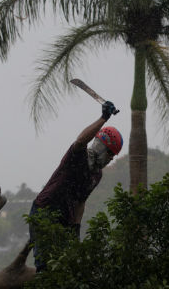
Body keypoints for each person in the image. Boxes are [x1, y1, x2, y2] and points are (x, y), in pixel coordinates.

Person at [28, 101, 122, 272]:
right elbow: (80, 140)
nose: (110, 159)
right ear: (101, 147)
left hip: (65, 219)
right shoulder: (77, 156)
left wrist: (75, 229)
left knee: (69, 267)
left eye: (113, 156)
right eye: (110, 153)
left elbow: (81, 202)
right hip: (44, 211)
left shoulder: (96, 175)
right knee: (45, 267)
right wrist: (103, 118)